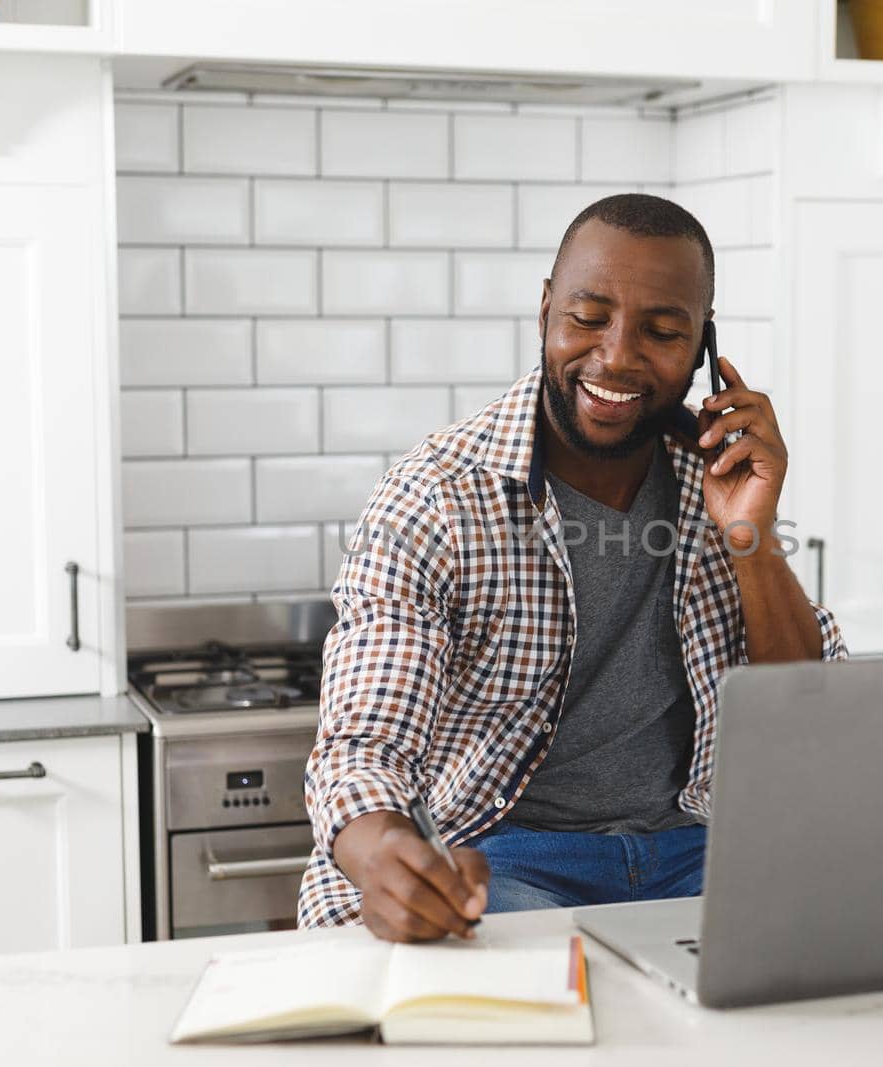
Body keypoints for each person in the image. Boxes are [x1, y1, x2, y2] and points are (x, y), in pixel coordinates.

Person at [299, 193, 848, 942]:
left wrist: (751, 534)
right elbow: (365, 746)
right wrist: (387, 852)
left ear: (703, 349)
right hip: (504, 853)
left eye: (661, 331)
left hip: (701, 848)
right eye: (589, 317)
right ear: (546, 313)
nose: (617, 355)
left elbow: (813, 716)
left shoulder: (719, 480)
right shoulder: (439, 493)